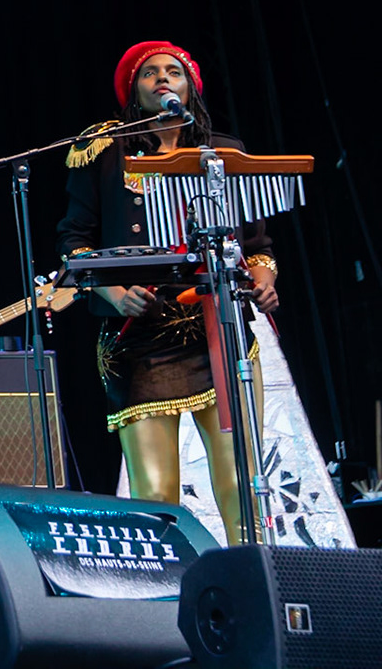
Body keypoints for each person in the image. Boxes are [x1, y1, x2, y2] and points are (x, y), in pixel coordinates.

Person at [57, 40, 277, 545]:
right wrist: (116, 294)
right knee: (156, 498)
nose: (162, 78)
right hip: (139, 337)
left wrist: (263, 280)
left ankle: (254, 584)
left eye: (173, 72)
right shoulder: (106, 153)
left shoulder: (222, 153)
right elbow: (75, 242)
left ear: (189, 86)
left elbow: (257, 247)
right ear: (133, 90)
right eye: (149, 72)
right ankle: (168, 593)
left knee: (241, 487)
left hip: (217, 330)